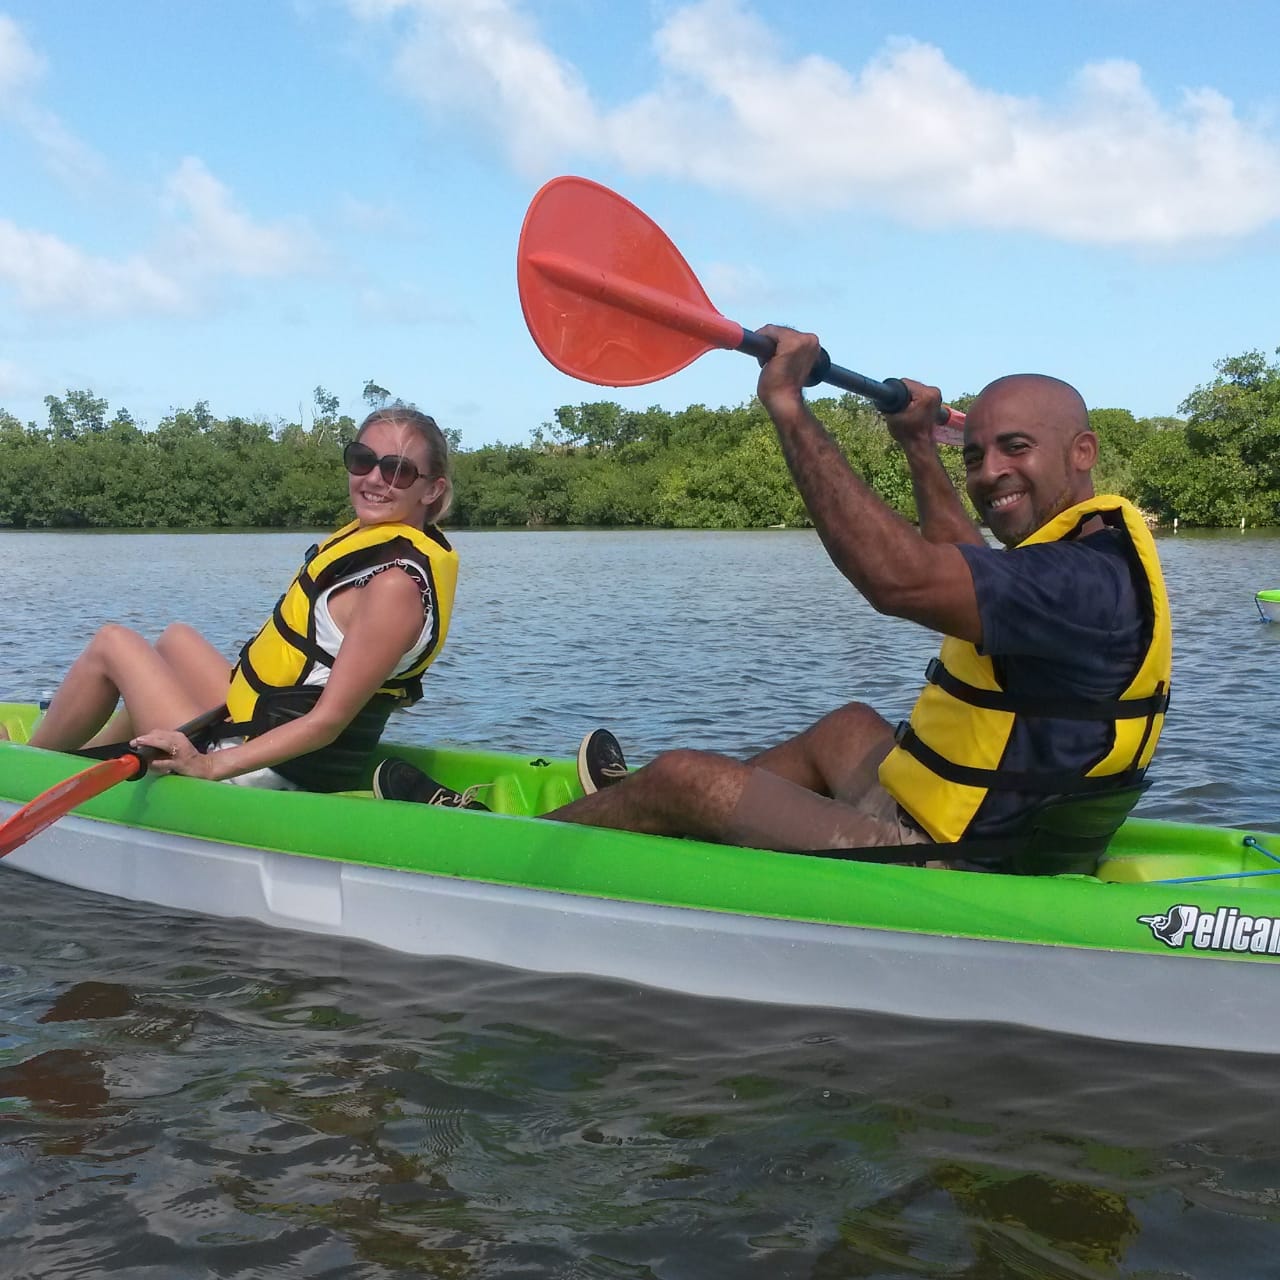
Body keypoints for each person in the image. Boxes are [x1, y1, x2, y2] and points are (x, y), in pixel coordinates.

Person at [556, 326, 1172, 865]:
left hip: (961, 860)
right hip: (974, 825)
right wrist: (917, 444)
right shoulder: (1091, 552)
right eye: (977, 455)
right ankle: (638, 814)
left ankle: (517, 843)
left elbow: (898, 579)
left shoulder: (1079, 581)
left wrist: (789, 405)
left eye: (1016, 447)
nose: (988, 473)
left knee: (683, 779)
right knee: (845, 729)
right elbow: (967, 566)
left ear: (1082, 450)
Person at [10, 406, 463, 794]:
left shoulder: (395, 587)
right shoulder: (382, 552)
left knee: (114, 643)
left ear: (432, 490)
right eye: (362, 460)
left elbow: (329, 720)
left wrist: (208, 765)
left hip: (272, 774)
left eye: (398, 470)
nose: (374, 479)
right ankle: (88, 759)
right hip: (264, 726)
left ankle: (23, 771)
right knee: (174, 640)